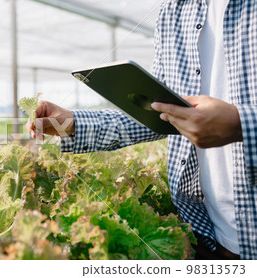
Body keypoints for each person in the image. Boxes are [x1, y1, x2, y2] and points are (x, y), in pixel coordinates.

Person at [27, 0, 257, 260]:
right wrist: (71, 122)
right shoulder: (174, 10)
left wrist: (243, 124)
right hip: (209, 235)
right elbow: (158, 112)